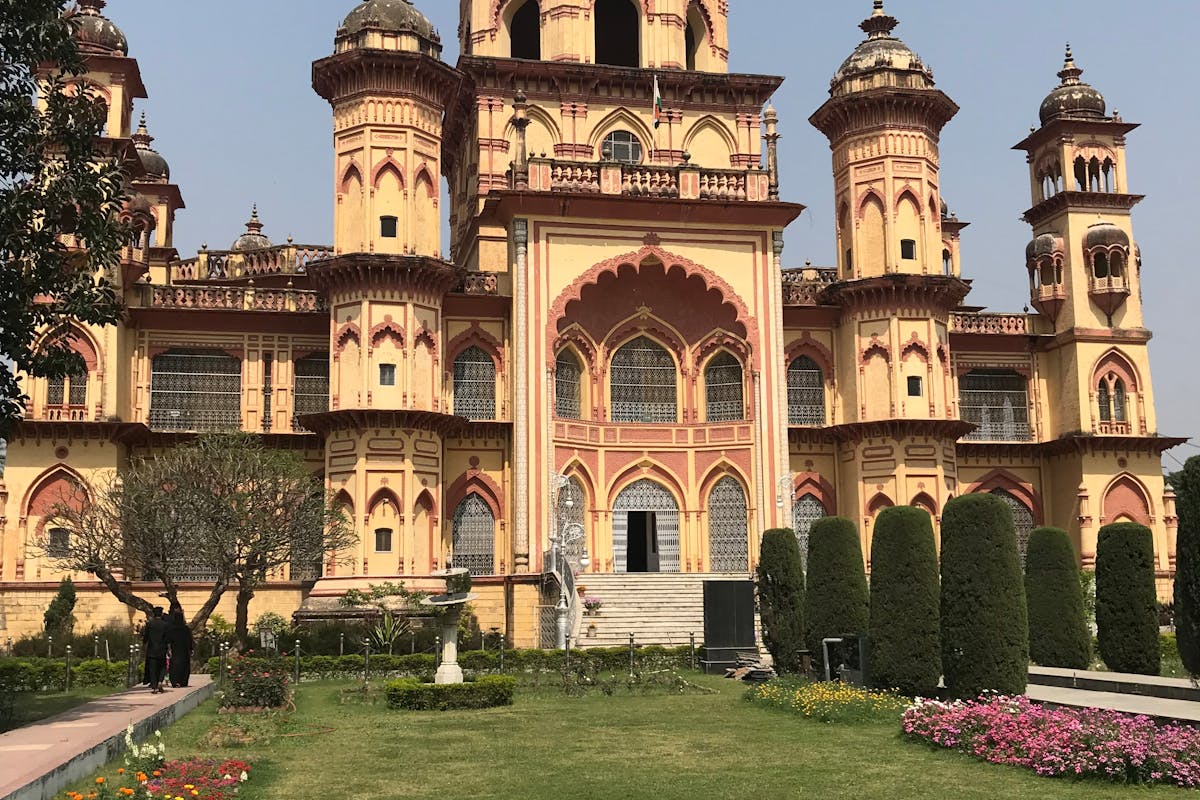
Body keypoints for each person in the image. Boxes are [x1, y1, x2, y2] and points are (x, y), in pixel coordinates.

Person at [142, 606, 169, 693]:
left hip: (151, 649)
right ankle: (160, 681)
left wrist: (144, 643)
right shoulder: (165, 625)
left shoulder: (149, 624)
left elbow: (146, 637)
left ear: (154, 614)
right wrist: (168, 648)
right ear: (161, 614)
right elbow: (167, 638)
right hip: (162, 649)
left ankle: (154, 686)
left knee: (152, 668)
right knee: (163, 666)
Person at [166, 608, 193, 688]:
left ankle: (175, 681)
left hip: (175, 649)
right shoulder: (186, 629)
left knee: (174, 666)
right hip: (184, 650)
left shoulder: (171, 629)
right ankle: (183, 681)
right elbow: (189, 639)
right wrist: (191, 649)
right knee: (184, 666)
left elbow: (168, 640)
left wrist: (168, 649)